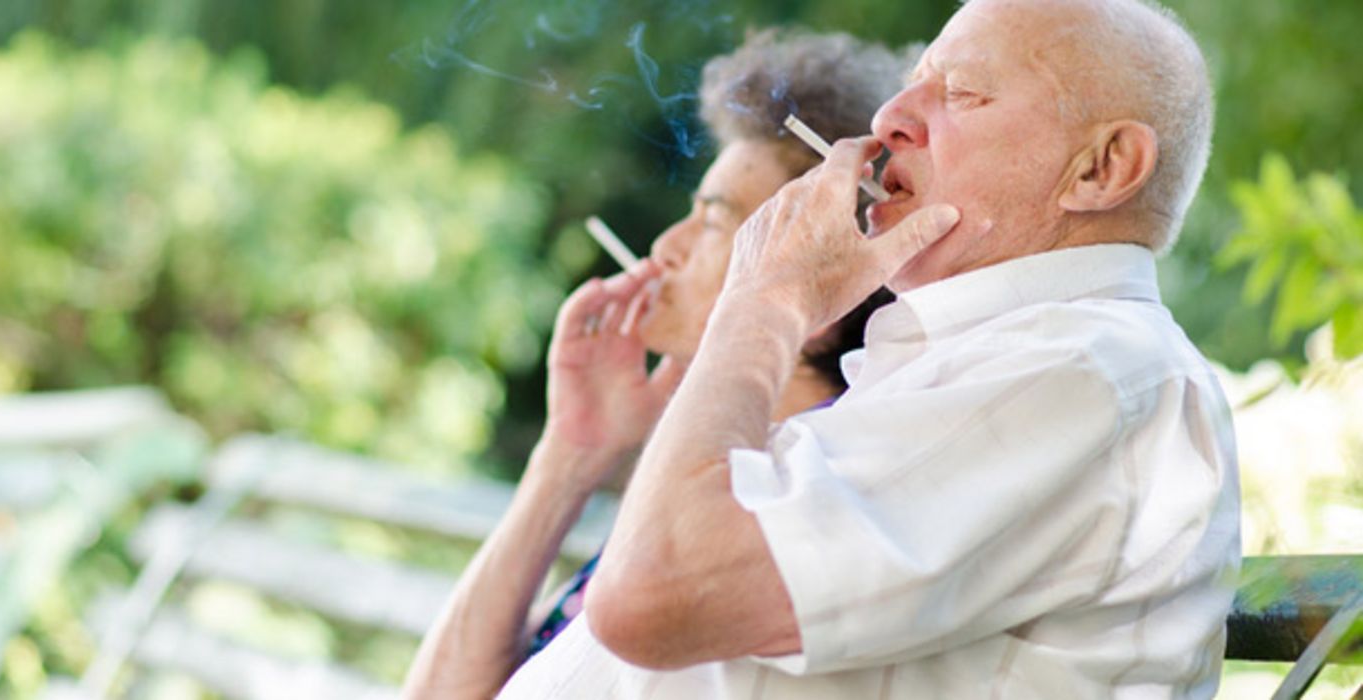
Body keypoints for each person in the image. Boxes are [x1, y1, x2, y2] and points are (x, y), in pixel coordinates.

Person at [498, 0, 1241, 698]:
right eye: (910, 84)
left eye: (963, 94)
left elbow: (650, 596)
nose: (890, 119)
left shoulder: (1085, 371)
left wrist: (765, 301)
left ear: (1101, 168)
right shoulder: (994, 363)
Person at [400, 29, 912, 700]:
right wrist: (571, 454)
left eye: (709, 222)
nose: (665, 248)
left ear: (820, 281)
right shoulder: (702, 478)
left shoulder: (772, 509)